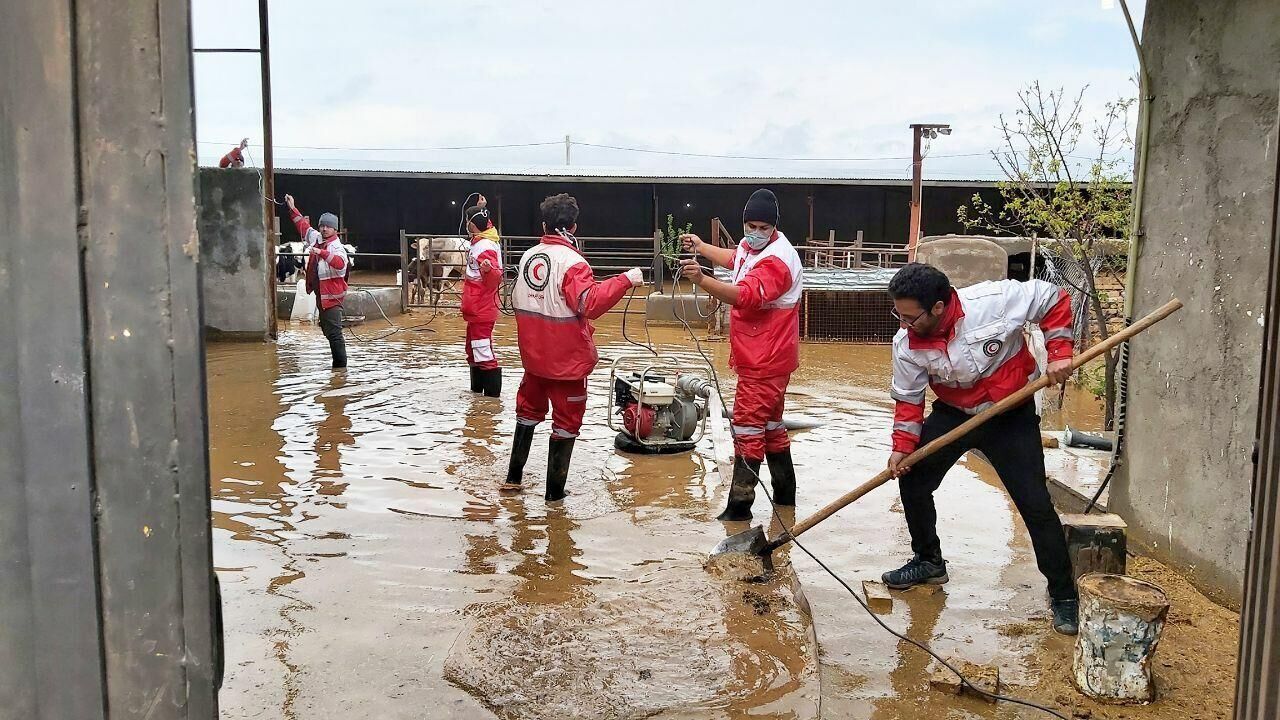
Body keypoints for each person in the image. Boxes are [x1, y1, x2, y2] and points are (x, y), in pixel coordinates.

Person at [881, 262, 1080, 634]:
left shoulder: (994, 302)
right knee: (913, 479)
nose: (904, 323)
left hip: (1011, 412)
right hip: (955, 413)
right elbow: (909, 401)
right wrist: (902, 448)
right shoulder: (906, 345)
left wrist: (1060, 352)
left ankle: (1064, 596)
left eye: (911, 316)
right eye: (899, 315)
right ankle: (928, 562)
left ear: (939, 306)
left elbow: (1053, 298)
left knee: (1035, 504)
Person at [502, 193, 645, 502]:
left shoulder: (527, 256)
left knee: (526, 411)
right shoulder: (573, 263)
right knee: (566, 424)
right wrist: (625, 280)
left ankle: (513, 480)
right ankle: (554, 497)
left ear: (544, 224)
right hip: (565, 362)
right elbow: (590, 303)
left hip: (533, 358)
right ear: (574, 227)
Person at [677, 188, 803, 520]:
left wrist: (702, 279)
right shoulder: (753, 247)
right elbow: (736, 258)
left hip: (766, 358)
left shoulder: (778, 261)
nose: (755, 232)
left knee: (747, 427)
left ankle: (739, 510)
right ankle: (785, 500)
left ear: (773, 227)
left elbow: (746, 297)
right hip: (761, 353)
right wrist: (703, 248)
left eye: (762, 227)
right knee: (772, 427)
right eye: (751, 225)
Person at [284, 193, 349, 370]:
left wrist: (322, 253)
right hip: (321, 294)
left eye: (328, 227)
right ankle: (337, 373)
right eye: (322, 226)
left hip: (332, 298)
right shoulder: (317, 239)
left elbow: (341, 263)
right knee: (327, 331)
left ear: (335, 230)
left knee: (335, 334)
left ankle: (340, 370)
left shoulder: (337, 247)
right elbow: (303, 227)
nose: (324, 229)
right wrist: (292, 208)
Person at [462, 203, 504, 396]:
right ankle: (479, 399)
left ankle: (491, 399)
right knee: (474, 349)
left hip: (481, 307)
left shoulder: (485, 246)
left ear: (471, 223)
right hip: (476, 306)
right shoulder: (482, 241)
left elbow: (494, 277)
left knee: (481, 349)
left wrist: (488, 269)